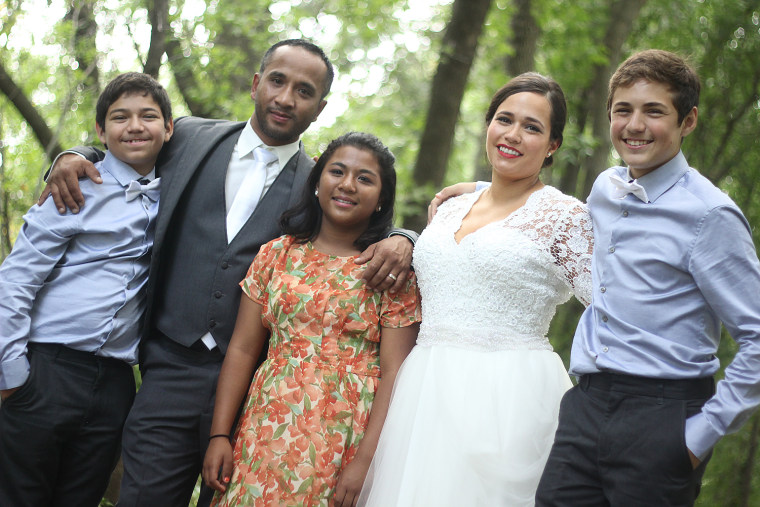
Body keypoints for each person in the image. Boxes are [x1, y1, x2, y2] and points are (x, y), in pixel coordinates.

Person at [42, 39, 416, 507]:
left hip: (265, 393)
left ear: (319, 109)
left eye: (304, 91)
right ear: (257, 83)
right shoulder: (191, 138)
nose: (285, 98)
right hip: (170, 369)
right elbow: (126, 142)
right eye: (277, 81)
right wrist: (75, 155)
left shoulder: (319, 180)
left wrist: (406, 238)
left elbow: (362, 216)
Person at [533, 50, 760, 505]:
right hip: (586, 407)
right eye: (624, 110)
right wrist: (482, 192)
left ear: (688, 121)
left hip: (663, 418)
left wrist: (699, 436)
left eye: (653, 111)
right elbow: (551, 217)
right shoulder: (605, 187)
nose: (634, 125)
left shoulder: (709, 215)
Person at [359, 73, 593, 506]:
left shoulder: (566, 218)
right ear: (488, 124)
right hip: (424, 391)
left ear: (553, 145)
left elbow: (612, 305)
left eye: (532, 127)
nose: (514, 135)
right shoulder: (449, 207)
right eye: (505, 119)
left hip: (509, 398)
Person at [201, 132, 420, 506]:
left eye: (365, 178)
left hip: (345, 435)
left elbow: (396, 372)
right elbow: (241, 348)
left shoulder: (390, 270)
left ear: (382, 198)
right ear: (317, 181)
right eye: (337, 171)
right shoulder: (276, 254)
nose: (348, 185)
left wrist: (367, 461)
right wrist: (219, 434)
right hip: (267, 424)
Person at [0, 72, 173, 506]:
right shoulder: (73, 188)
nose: (134, 126)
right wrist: (12, 373)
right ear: (101, 130)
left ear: (169, 128)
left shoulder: (174, 197)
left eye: (148, 116)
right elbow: (16, 279)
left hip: (115, 385)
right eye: (120, 117)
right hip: (45, 368)